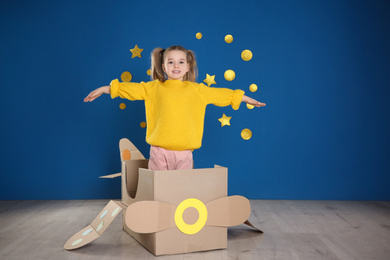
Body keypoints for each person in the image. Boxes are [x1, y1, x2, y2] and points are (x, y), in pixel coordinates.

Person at [84, 45, 266, 171]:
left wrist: (246, 98)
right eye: (171, 62)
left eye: (181, 62)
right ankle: (159, 220)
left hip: (185, 153)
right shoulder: (153, 88)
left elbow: (223, 95)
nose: (176, 65)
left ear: (188, 67)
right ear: (163, 66)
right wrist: (103, 89)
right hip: (158, 151)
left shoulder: (198, 90)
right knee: (159, 189)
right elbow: (129, 89)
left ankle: (177, 224)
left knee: (181, 190)